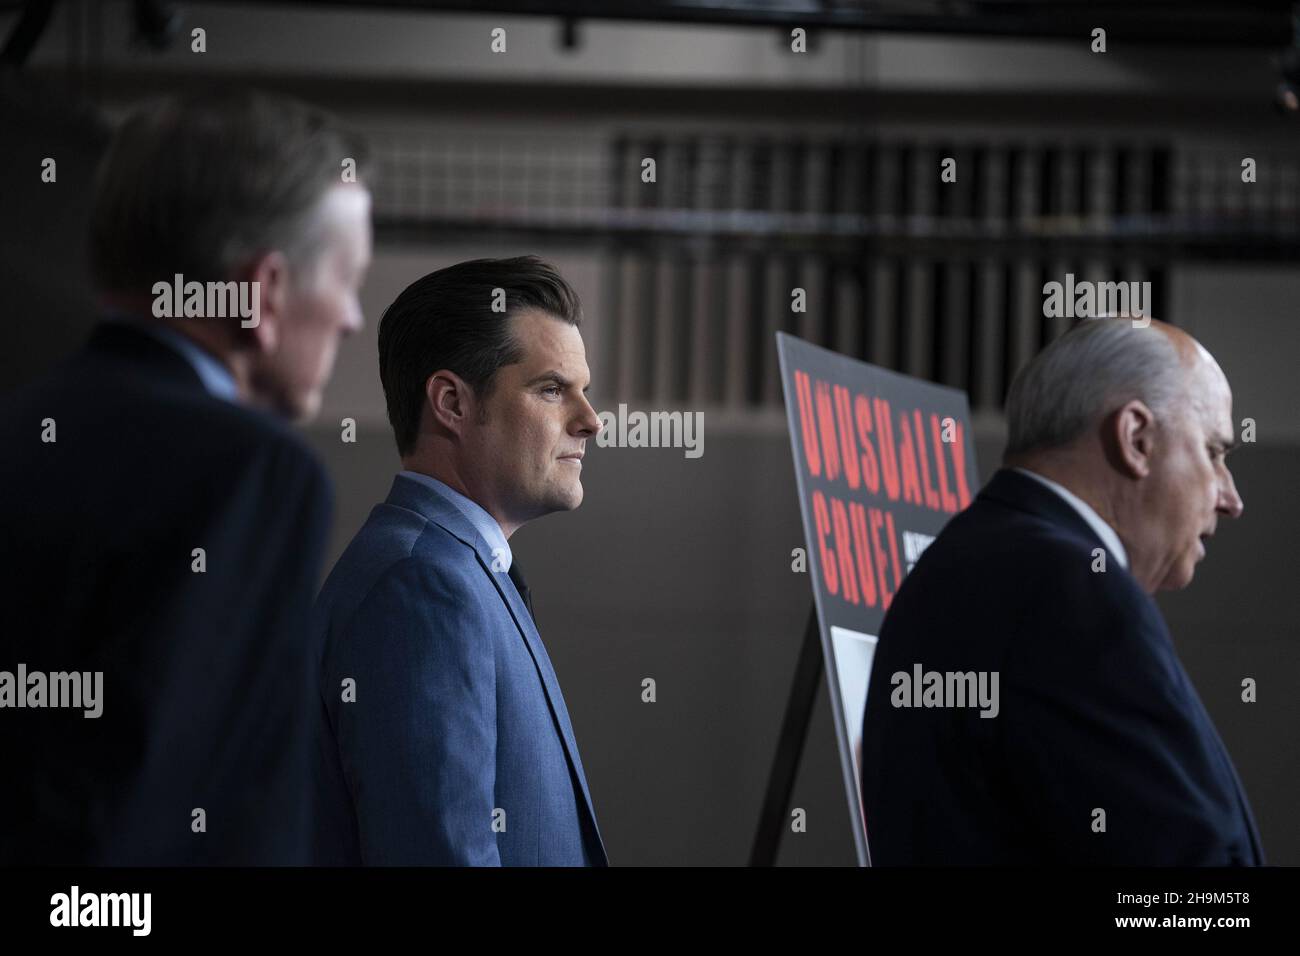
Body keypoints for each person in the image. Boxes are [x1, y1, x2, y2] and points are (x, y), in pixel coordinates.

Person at [0, 89, 372, 864]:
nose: (350, 318)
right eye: (348, 279)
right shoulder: (257, 471)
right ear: (264, 294)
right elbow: (229, 806)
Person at [860, 317, 1264, 865]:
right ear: (1137, 439)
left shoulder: (966, 562)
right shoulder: (1071, 591)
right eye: (1215, 452)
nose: (1230, 497)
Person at [312, 256, 608, 865]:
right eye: (552, 389)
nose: (591, 421)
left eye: (584, 391)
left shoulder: (458, 571)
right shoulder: (421, 585)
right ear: (451, 402)